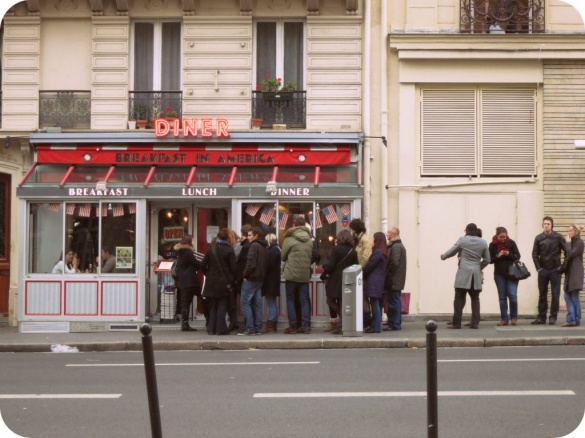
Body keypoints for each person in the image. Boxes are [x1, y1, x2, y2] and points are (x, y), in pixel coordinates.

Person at [441, 223, 490, 329]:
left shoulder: (463, 240)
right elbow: (487, 259)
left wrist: (443, 256)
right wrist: (478, 267)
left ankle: (457, 323)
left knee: (459, 298)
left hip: (463, 273)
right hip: (475, 275)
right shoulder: (483, 242)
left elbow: (452, 250)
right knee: (475, 299)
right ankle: (475, 323)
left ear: (467, 231)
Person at [201, 229, 238, 335]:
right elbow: (234, 268)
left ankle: (211, 328)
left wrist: (208, 275)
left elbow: (203, 265)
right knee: (222, 304)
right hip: (224, 283)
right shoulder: (229, 250)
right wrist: (231, 279)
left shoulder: (210, 250)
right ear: (227, 239)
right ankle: (220, 329)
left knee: (213, 305)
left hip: (211, 282)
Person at [531, 216, 566, 325]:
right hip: (543, 270)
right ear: (542, 225)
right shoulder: (538, 238)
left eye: (548, 224)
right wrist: (539, 268)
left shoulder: (558, 237)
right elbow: (535, 254)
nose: (546, 225)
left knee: (555, 294)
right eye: (544, 224)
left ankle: (553, 317)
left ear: (552, 225)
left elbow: (567, 252)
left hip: (555, 270)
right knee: (542, 294)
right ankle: (541, 317)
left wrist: (562, 267)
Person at [282, 216, 314, 334]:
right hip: (304, 274)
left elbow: (283, 256)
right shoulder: (310, 240)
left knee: (290, 300)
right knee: (304, 300)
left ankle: (293, 326)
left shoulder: (289, 239)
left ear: (294, 225)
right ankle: (306, 326)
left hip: (291, 274)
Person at [321, 230, 357, 335]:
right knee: (343, 302)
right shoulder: (353, 251)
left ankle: (342, 321)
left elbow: (331, 265)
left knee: (330, 300)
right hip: (348, 278)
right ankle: (343, 324)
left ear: (340, 238)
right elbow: (356, 265)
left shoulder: (336, 249)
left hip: (335, 279)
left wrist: (325, 267)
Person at [488, 227, 521, 326]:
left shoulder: (511, 243)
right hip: (499, 274)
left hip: (512, 273)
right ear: (496, 236)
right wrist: (498, 255)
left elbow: (517, 256)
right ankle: (504, 319)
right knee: (502, 297)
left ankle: (514, 317)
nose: (502, 239)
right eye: (500, 237)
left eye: (504, 236)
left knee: (512, 296)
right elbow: (490, 260)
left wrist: (508, 254)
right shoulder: (492, 245)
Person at [238, 227, 268, 336]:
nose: (248, 237)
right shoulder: (264, 246)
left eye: (250, 235)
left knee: (245, 303)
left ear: (256, 236)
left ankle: (250, 328)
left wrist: (245, 275)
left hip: (251, 278)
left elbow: (250, 263)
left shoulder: (253, 246)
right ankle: (258, 327)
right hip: (260, 278)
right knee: (257, 304)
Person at [173, 235, 202, 331]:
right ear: (188, 242)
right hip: (190, 282)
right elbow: (196, 264)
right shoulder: (187, 253)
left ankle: (184, 324)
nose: (193, 242)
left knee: (185, 303)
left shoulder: (180, 253)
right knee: (204, 297)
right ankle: (185, 324)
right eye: (192, 240)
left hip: (183, 281)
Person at [349, 218, 373, 329]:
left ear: (355, 229)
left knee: (363, 297)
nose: (351, 231)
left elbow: (365, 257)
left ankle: (367, 320)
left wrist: (359, 270)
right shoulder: (359, 239)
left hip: (361, 272)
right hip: (358, 271)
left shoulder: (365, 240)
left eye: (352, 229)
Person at [363, 232, 388, 333]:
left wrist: (362, 274)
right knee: (377, 303)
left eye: (374, 239)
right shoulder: (384, 251)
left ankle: (376, 327)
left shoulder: (377, 252)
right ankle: (376, 325)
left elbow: (370, 265)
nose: (373, 241)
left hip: (374, 281)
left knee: (374, 303)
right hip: (380, 281)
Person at [560, 224, 584, 328]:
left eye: (570, 231)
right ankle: (573, 319)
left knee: (574, 296)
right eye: (568, 230)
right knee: (568, 296)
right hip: (570, 272)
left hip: (576, 272)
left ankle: (574, 319)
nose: (568, 233)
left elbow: (571, 254)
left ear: (576, 232)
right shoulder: (572, 243)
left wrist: (568, 244)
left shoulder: (579, 243)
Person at [384, 226, 407, 331]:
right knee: (395, 300)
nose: (386, 234)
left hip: (394, 279)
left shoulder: (396, 246)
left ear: (393, 234)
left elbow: (395, 262)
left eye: (388, 232)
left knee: (394, 301)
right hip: (396, 278)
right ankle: (395, 322)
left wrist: (388, 272)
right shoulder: (396, 245)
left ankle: (395, 324)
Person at [231, 224, 252, 332]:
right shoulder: (250, 245)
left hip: (242, 277)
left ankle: (246, 325)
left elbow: (236, 261)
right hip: (250, 277)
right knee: (251, 302)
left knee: (244, 302)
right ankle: (250, 325)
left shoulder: (242, 246)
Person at [261, 233, 282, 333]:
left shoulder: (272, 251)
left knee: (271, 303)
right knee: (272, 302)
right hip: (274, 280)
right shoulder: (276, 249)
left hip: (270, 280)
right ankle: (273, 324)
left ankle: (271, 324)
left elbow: (268, 265)